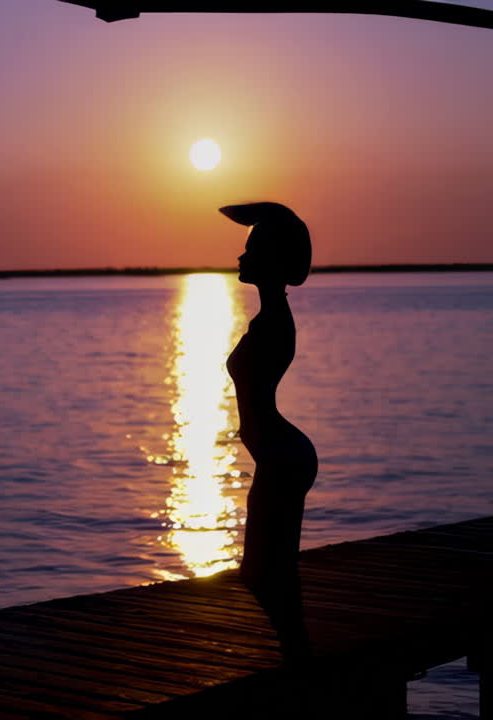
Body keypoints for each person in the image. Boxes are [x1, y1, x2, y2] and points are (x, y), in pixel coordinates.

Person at [221, 202, 317, 664]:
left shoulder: (275, 321)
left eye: (251, 248)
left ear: (273, 259)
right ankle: (290, 654)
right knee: (264, 569)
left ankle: (295, 658)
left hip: (282, 455)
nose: (241, 257)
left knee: (266, 570)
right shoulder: (269, 318)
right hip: (278, 453)